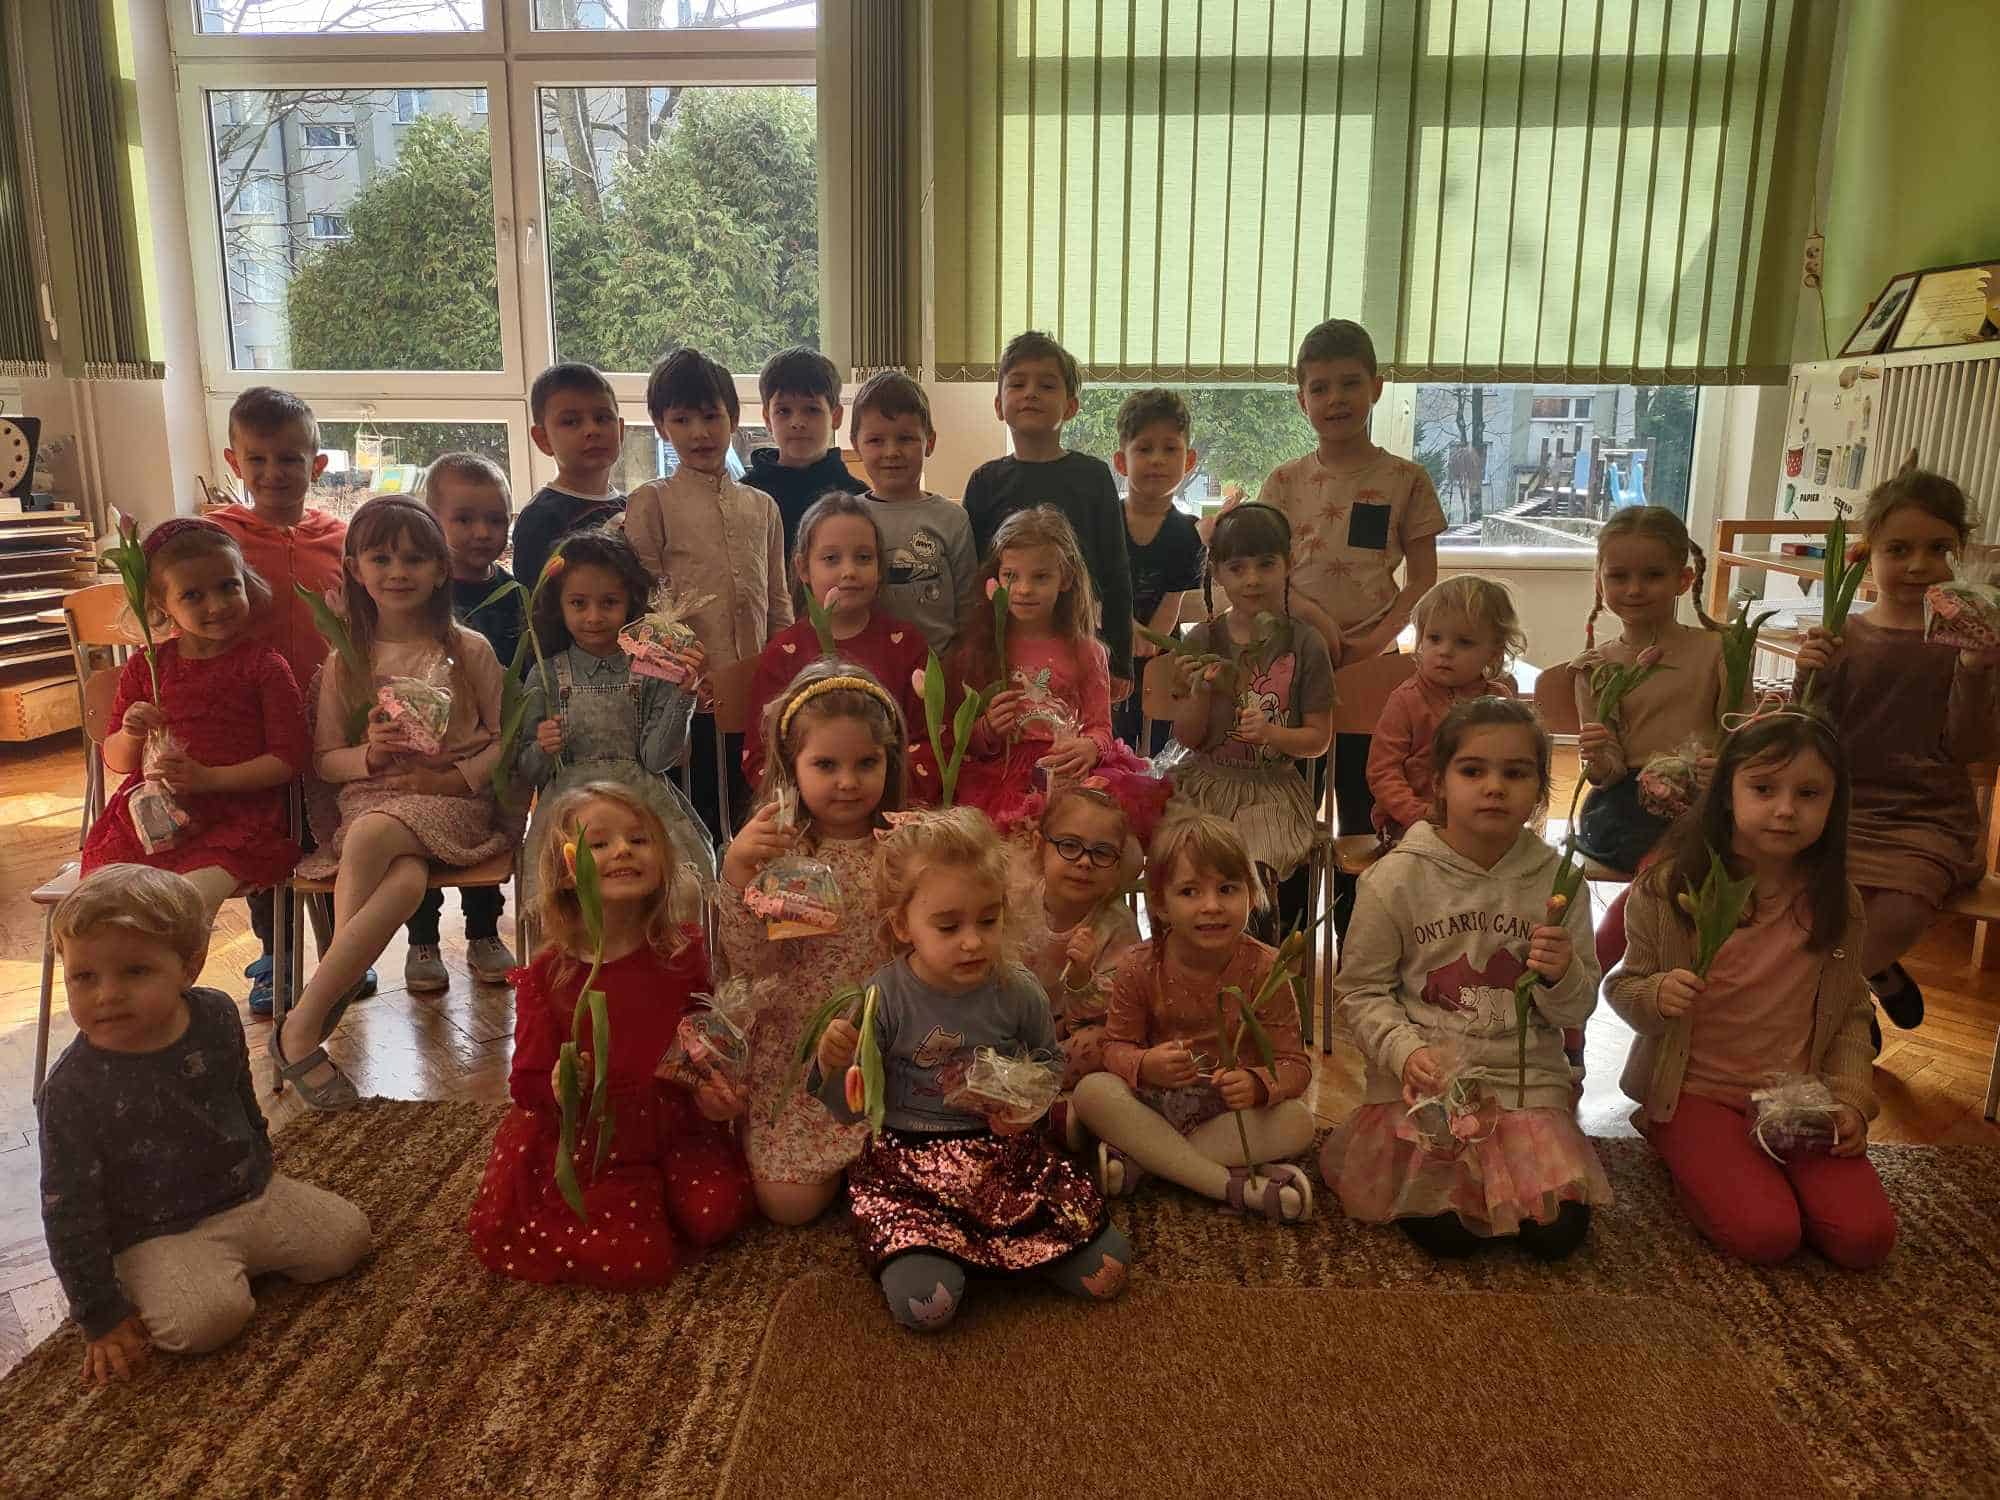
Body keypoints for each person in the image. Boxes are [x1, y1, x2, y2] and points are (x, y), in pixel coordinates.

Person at [39, 865, 370, 1384]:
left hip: (248, 1194)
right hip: (154, 1231)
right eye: (84, 977)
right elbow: (67, 1208)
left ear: (188, 967)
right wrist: (99, 1314)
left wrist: (262, 1164)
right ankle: (163, 1275)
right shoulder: (69, 1090)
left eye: (135, 971)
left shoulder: (215, 1015)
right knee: (205, 1323)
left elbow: (239, 1095)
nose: (107, 994)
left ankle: (232, 1261)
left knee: (348, 1239)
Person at [812, 808, 1130, 1333]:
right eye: (948, 925)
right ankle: (940, 1256)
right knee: (927, 1306)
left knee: (1110, 1271)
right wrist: (833, 1063)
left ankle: (1004, 1252)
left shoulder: (1018, 989)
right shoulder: (882, 998)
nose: (972, 942)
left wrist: (1026, 1109)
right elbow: (850, 1110)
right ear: (903, 925)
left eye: (988, 920)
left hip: (1006, 1163)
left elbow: (1048, 1063)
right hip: (912, 1175)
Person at [1603, 710, 1894, 1268]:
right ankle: (1685, 1153)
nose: (1785, 809)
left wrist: (1851, 1101)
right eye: (1763, 789)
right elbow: (1625, 987)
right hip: (1694, 1093)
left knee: (1865, 1239)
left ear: (1834, 804)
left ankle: (1745, 1171)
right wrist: (1657, 995)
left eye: (1809, 793)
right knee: (1767, 1234)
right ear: (1727, 794)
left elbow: (1852, 1013)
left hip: (1794, 1096)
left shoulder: (1838, 902)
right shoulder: (1669, 890)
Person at [1324, 698, 1607, 1260]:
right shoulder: (1394, 879)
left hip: (1523, 1085)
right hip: (1426, 1086)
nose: (1494, 788)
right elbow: (1359, 992)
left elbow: (1576, 1010)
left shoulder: (1559, 881)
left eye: (1516, 773)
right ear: (1439, 784)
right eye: (1473, 771)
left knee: (1557, 1234)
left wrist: (1562, 976)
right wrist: (1405, 1052)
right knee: (1451, 1233)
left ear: (1540, 790)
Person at [467, 783, 755, 1288]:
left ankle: (660, 1197)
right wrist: (560, 1086)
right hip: (593, 1143)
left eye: (639, 840)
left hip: (673, 1128)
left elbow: (701, 1044)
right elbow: (526, 1084)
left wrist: (712, 1096)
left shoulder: (682, 952)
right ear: (565, 871)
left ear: (662, 858)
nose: (623, 850)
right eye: (599, 844)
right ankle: (640, 1206)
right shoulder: (549, 975)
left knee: (717, 1214)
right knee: (636, 1256)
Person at [277, 498, 510, 1111]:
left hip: (452, 802)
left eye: (414, 558)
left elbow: (503, 739)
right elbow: (325, 761)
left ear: (441, 569)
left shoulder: (469, 651)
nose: (398, 571)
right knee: (401, 879)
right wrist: (370, 756)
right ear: (355, 570)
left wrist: (456, 777)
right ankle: (314, 1012)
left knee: (372, 836)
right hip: (372, 797)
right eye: (381, 558)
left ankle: (309, 1014)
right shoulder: (347, 661)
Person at [1248, 319, 1445, 938]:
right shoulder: (1283, 481)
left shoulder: (1406, 480)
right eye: (1320, 387)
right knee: (1290, 806)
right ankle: (1282, 938)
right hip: (1296, 660)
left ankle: (1362, 940)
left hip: (1374, 667)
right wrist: (1317, 626)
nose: (1335, 399)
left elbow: (1422, 580)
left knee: (1367, 807)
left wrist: (1367, 644)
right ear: (1301, 398)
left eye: (1350, 383)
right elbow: (1267, 573)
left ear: (1377, 388)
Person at [1792, 469, 2000, 1037]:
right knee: (1796, 896)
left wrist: (1975, 671)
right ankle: (1859, 986)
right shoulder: (1845, 635)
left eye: (1939, 549)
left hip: (1929, 821)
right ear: (1867, 554)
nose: (1918, 565)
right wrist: (1808, 675)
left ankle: (1829, 1009)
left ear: (1960, 552)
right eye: (1898, 549)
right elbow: (1805, 733)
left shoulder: (1968, 643)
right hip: (1840, 810)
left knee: (1899, 909)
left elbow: (1971, 748)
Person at [720, 660, 910, 1225]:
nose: (847, 782)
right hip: (799, 1053)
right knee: (788, 1207)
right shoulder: (780, 853)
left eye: (866, 763)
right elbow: (748, 961)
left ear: (889, 761)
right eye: (826, 764)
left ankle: (874, 1164)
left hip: (891, 1045)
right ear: (792, 766)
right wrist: (737, 874)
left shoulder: (904, 847)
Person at [1071, 814, 1316, 1223]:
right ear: (1160, 904)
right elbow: (1114, 1047)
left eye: (1228, 889)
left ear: (1251, 895)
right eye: (1189, 891)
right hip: (1156, 1105)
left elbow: (1295, 1065)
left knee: (1299, 1122)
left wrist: (1258, 1083)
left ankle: (1145, 1162)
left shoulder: (1266, 969)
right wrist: (1145, 1064)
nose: (1212, 906)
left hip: (1228, 1116)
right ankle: (1232, 1184)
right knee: (1091, 1092)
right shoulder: (1138, 965)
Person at [208, 386, 357, 1017]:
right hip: (253, 727)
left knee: (329, 834)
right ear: (234, 462)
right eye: (258, 459)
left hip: (328, 720)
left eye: (290, 459)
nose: (274, 472)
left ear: (316, 465)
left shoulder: (343, 539)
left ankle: (340, 953)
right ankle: (276, 955)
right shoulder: (216, 539)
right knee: (266, 837)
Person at [83, 519, 305, 923]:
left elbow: (288, 759)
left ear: (246, 583)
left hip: (236, 820)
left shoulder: (264, 667)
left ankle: (171, 967)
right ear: (161, 603)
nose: (217, 605)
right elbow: (117, 761)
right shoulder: (146, 667)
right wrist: (130, 734)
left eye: (228, 586)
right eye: (193, 595)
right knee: (103, 910)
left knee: (182, 908)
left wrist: (209, 779)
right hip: (149, 819)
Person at [625, 348, 791, 843]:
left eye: (711, 417)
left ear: (733, 419)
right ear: (661, 426)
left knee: (750, 812)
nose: (699, 433)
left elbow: (778, 601)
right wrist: (679, 675)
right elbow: (643, 607)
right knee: (694, 817)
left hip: (755, 691)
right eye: (682, 420)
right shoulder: (651, 501)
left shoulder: (763, 506)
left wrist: (782, 676)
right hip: (685, 696)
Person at [516, 525, 713, 916]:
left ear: (630, 603)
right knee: (559, 899)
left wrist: (683, 697)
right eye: (578, 603)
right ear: (559, 606)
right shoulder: (546, 673)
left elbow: (657, 759)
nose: (594, 616)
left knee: (681, 890)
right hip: (569, 810)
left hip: (642, 803)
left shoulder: (652, 669)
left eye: (609, 602)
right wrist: (542, 748)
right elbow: (528, 770)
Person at [1160, 502, 1335, 935]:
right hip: (1205, 783)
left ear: (1289, 564)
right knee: (1185, 856)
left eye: (1266, 564)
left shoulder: (1306, 644)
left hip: (1272, 790)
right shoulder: (1202, 639)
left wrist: (1273, 733)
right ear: (1217, 574)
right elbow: (1188, 737)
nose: (1252, 579)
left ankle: (1261, 962)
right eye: (1237, 568)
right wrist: (1199, 692)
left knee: (1255, 864)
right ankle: (1187, 961)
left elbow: (1319, 740)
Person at [945, 506, 1167, 836]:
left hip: (1069, 771)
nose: (1023, 589)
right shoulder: (982, 650)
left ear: (1065, 579)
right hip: (1002, 777)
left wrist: (1091, 747)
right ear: (996, 578)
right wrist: (988, 728)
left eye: (1040, 577)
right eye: (1011, 576)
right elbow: (964, 739)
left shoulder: (1087, 652)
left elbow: (1100, 728)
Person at [402, 451, 524, 991]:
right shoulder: (422, 595)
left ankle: (484, 932)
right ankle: (421, 938)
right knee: (420, 837)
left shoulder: (516, 596)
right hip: (427, 745)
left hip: (490, 746)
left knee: (488, 837)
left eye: (496, 519)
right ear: (433, 520)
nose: (482, 532)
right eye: (465, 519)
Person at [962, 330, 1136, 697]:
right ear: (998, 405)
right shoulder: (984, 481)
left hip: (1080, 646)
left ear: (1070, 407)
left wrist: (1120, 660)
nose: (1031, 393)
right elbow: (975, 579)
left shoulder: (1093, 476)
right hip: (1006, 652)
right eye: (1018, 384)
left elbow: (1116, 571)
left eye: (1046, 385)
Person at [741, 493, 928, 788]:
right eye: (831, 559)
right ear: (803, 568)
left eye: (863, 558)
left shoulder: (906, 645)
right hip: (807, 810)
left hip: (893, 806)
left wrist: (884, 793)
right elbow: (760, 756)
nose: (849, 571)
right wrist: (808, 800)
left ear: (880, 567)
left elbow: (931, 743)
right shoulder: (783, 655)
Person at [1010, 781, 1143, 1104]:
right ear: (1040, 846)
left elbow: (1117, 1011)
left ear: (1117, 865)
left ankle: (1028, 1089)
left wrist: (1083, 979)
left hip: (1064, 1034)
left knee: (1100, 1043)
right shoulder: (1015, 898)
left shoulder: (1116, 924)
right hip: (1005, 1024)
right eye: (1070, 845)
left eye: (1102, 853)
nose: (1084, 862)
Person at [1368, 575, 1523, 842]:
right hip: (1410, 825)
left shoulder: (1500, 700)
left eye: (1464, 642)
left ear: (1494, 652)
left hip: (1483, 821)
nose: (1445, 651)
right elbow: (1383, 772)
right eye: (1434, 638)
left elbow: (1516, 767)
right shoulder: (1406, 700)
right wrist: (1418, 813)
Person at [849, 371, 977, 655]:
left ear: (929, 442)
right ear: (856, 445)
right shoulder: (848, 518)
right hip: (866, 668)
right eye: (876, 440)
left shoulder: (952, 519)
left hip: (939, 668)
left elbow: (968, 607)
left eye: (905, 438)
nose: (892, 452)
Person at [1112, 388, 1206, 754]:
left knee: (1158, 753)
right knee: (1110, 749)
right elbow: (1092, 593)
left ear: (1189, 459)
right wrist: (1126, 629)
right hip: (1106, 653)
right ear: (1121, 462)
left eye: (1170, 449)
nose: (1157, 460)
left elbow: (1173, 601)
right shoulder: (1104, 522)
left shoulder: (1188, 533)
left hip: (1162, 658)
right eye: (1144, 449)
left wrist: (1148, 639)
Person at [511, 362, 627, 591]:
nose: (592, 430)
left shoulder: (635, 505)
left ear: (621, 430)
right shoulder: (540, 518)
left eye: (602, 418)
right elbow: (536, 602)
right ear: (543, 439)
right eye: (571, 421)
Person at [743, 345, 868, 557]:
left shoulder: (857, 498)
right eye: (784, 411)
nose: (797, 422)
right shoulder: (746, 497)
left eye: (812, 409)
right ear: (767, 419)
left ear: (835, 416)